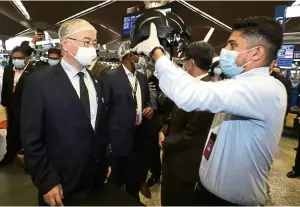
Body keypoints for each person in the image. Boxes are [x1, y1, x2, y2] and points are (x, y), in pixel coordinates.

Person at [133, 16, 286, 205]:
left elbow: (192, 93)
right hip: (208, 192)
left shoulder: (264, 89)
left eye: (232, 45)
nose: (225, 51)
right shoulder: (242, 85)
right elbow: (191, 83)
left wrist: (156, 53)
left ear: (256, 53)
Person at [21, 19, 109, 206]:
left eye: (94, 43)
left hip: (95, 180)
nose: (92, 48)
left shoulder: (96, 81)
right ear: (66, 44)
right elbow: (31, 139)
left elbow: (99, 128)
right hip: (60, 183)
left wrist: (105, 160)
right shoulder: (39, 83)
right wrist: (46, 182)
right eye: (86, 42)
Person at [159, 41, 215, 206]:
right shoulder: (191, 86)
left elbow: (192, 133)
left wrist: (165, 142)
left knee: (176, 199)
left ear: (190, 63)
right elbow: (174, 115)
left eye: (184, 61)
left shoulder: (205, 90)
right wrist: (164, 128)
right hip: (176, 155)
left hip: (184, 162)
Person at [103, 40, 153, 200]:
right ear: (130, 55)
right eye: (140, 54)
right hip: (118, 138)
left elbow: (145, 102)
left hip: (139, 135)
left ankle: (132, 197)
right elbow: (104, 109)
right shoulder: (110, 77)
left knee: (134, 176)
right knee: (116, 179)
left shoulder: (142, 78)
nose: (143, 58)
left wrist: (149, 109)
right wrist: (106, 140)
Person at [0, 46, 37, 168]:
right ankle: (10, 155)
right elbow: (5, 88)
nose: (16, 60)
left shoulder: (34, 72)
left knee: (27, 136)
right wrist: (4, 103)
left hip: (27, 110)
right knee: (11, 133)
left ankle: (29, 162)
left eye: (19, 58)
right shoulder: (8, 69)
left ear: (27, 59)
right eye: (14, 58)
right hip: (11, 108)